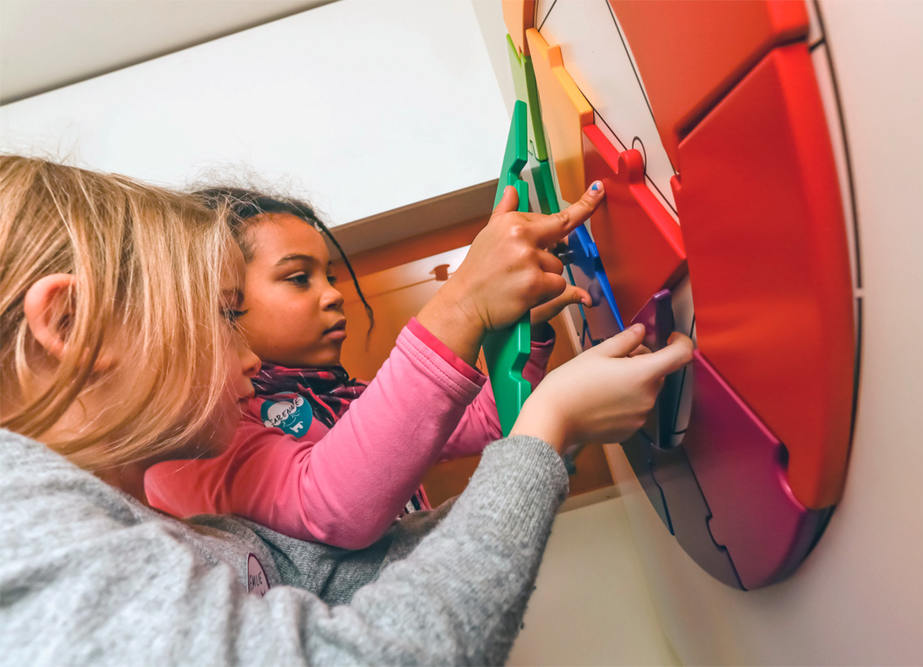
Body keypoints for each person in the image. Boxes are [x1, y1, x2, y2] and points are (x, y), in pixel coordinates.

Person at [0, 155, 693, 664]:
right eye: (220, 314)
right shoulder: (20, 537)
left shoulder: (166, 529)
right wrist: (539, 417)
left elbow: (359, 574)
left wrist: (550, 429)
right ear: (67, 322)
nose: (243, 352)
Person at [144, 186, 586, 548]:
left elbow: (485, 421)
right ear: (217, 300)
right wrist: (465, 305)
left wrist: (527, 335)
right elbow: (330, 506)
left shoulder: (343, 395)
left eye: (329, 277)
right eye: (299, 278)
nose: (333, 294)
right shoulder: (202, 431)